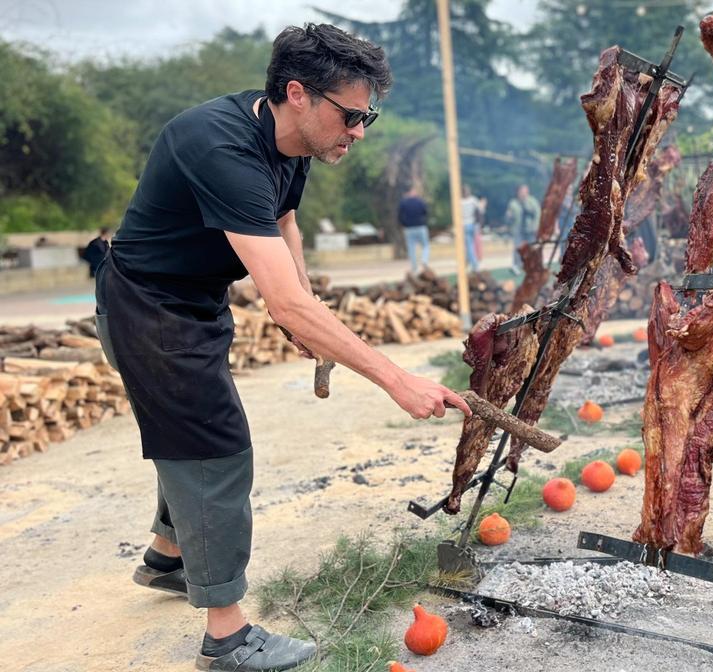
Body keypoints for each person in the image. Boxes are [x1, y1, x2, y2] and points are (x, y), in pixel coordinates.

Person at [93, 24, 469, 672]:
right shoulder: (220, 146)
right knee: (215, 447)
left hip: (193, 302)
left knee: (188, 433)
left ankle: (168, 557)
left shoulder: (295, 144)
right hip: (148, 310)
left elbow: (284, 221)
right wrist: (397, 379)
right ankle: (227, 636)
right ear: (299, 94)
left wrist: (302, 302)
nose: (359, 132)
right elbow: (284, 301)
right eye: (351, 116)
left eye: (368, 118)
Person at [505, 183, 540, 268]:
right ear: (518, 192)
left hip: (530, 229)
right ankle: (517, 265)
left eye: (525, 191)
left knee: (532, 247)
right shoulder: (513, 203)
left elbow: (538, 215)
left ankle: (532, 264)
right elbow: (508, 218)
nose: (523, 193)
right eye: (521, 191)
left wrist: (536, 227)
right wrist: (508, 216)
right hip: (518, 229)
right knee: (518, 248)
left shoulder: (532, 201)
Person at [397, 185, 430, 273]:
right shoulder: (420, 201)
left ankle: (414, 267)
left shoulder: (403, 203)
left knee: (411, 248)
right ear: (413, 191)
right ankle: (424, 260)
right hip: (420, 226)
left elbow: (400, 215)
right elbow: (425, 212)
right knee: (425, 245)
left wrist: (403, 224)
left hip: (409, 228)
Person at [459, 185, 482, 272]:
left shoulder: (460, 202)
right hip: (472, 223)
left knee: (469, 246)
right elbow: (480, 209)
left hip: (464, 225)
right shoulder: (473, 200)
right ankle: (468, 263)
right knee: (470, 245)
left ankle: (474, 264)